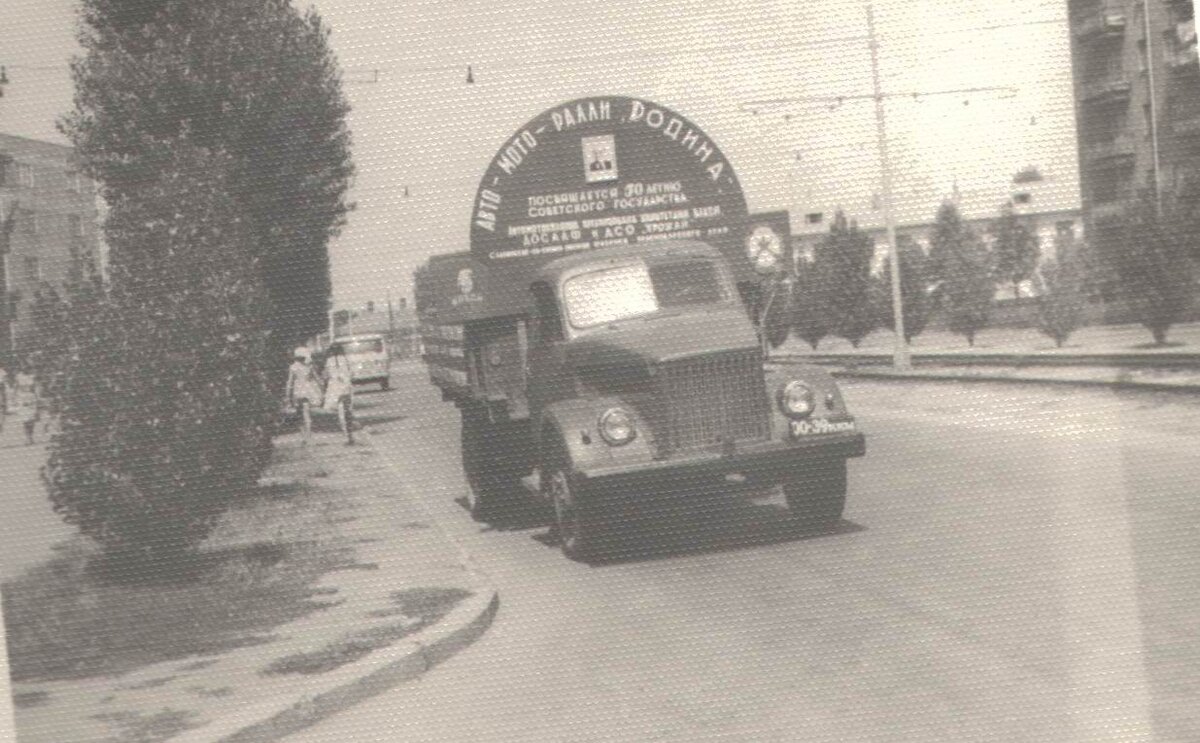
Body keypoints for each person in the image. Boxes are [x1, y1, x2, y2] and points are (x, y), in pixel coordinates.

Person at [284, 347, 322, 445]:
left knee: (299, 415)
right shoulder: (309, 367)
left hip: (298, 391)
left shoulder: (293, 367)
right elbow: (317, 379)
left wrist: (288, 395)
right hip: (308, 391)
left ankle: (304, 436)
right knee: (306, 414)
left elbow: (290, 382)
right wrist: (322, 388)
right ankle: (309, 435)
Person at [323, 344, 356, 445]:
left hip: (334, 388)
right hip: (346, 386)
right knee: (347, 411)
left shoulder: (329, 361)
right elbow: (352, 373)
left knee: (340, 413)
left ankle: (346, 435)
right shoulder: (346, 359)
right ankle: (350, 435)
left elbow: (326, 375)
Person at [12, 360, 41, 446]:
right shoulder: (18, 376)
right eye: (23, 366)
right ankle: (27, 437)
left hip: (31, 398)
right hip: (22, 398)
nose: (24, 368)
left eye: (26, 366)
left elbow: (37, 387)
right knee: (25, 420)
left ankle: (31, 436)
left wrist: (38, 398)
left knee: (31, 420)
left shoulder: (33, 376)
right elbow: (15, 387)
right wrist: (14, 398)